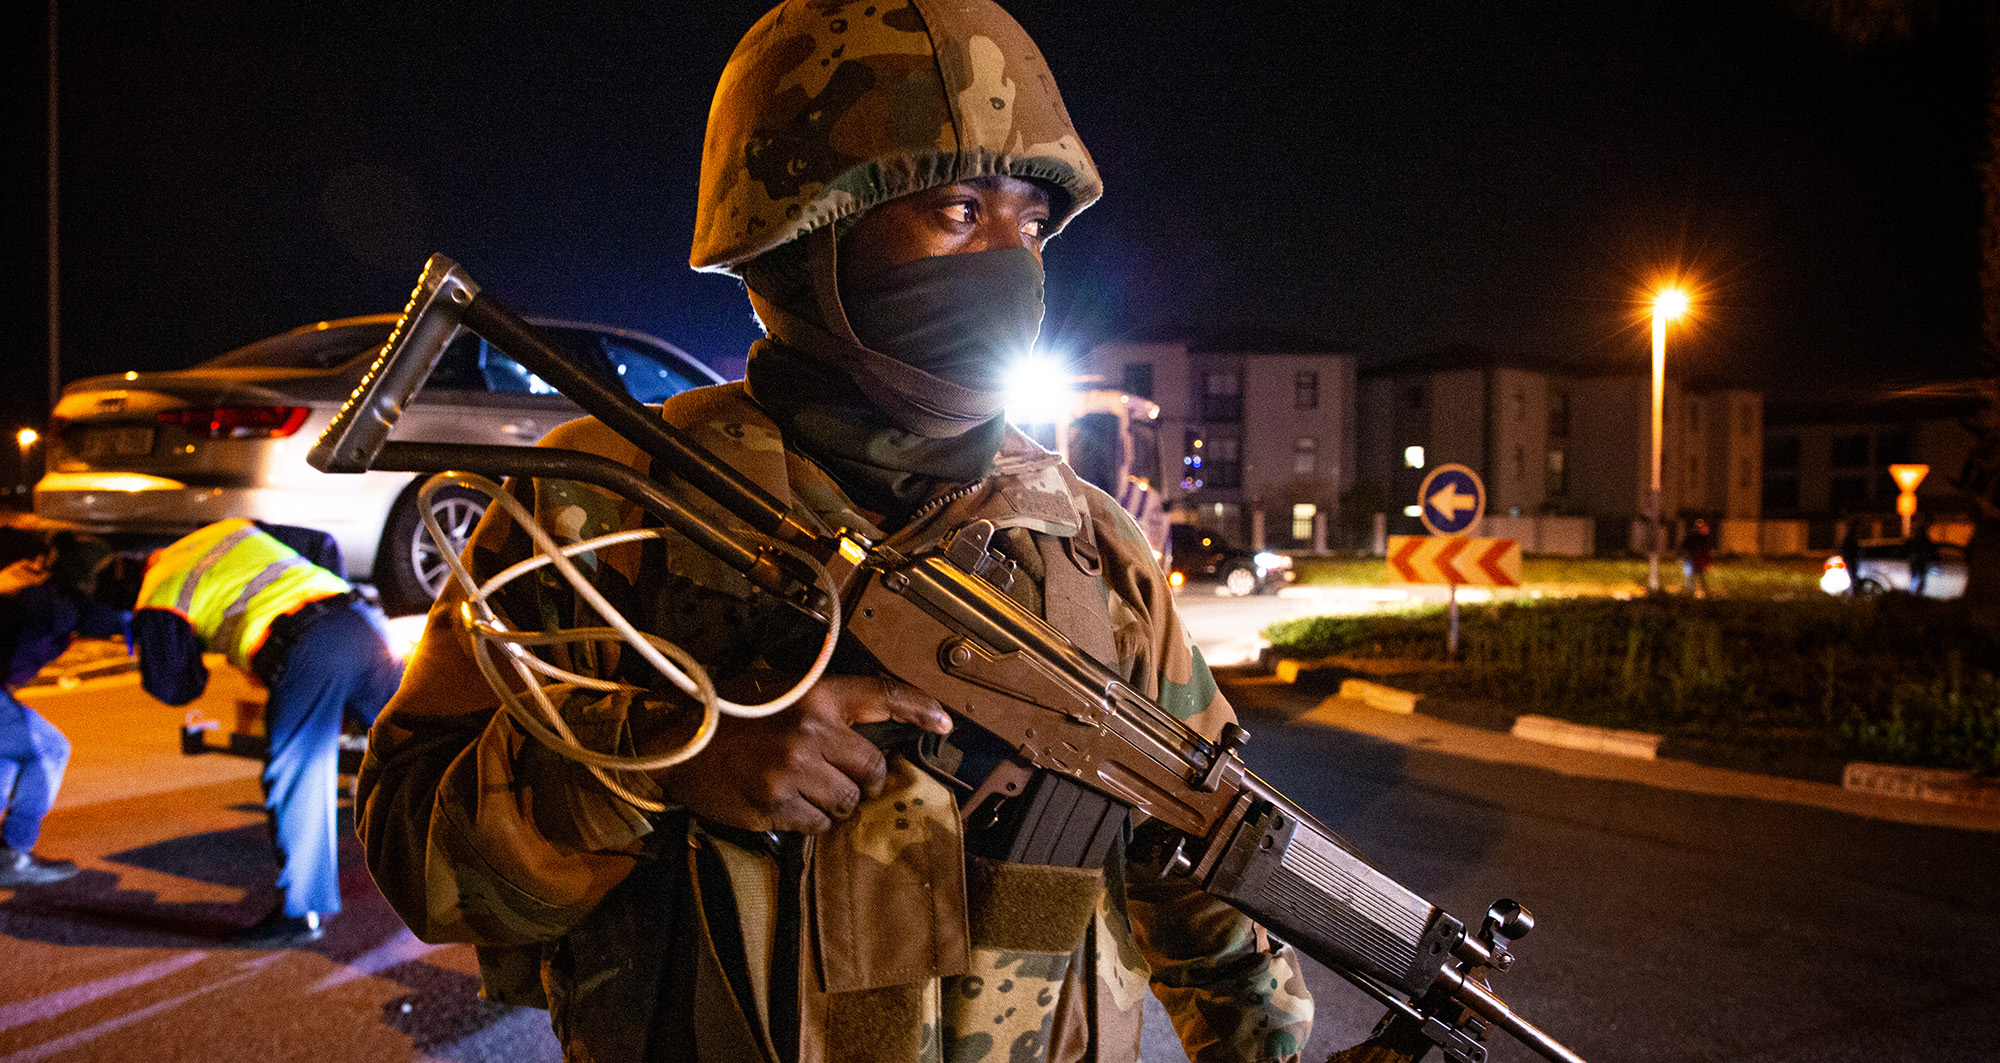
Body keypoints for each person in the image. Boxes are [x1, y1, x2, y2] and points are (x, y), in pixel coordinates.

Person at [359, 3, 1314, 1061]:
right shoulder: (606, 502)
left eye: (1029, 224)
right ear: (806, 231)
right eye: (955, 210)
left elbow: (1204, 873)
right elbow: (416, 852)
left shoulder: (1090, 544)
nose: (1010, 261)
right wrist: (666, 759)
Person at [113, 518, 403, 945]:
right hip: (364, 620)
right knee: (419, 750)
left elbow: (176, 687)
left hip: (309, 650)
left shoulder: (158, 593)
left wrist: (167, 638)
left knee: (299, 777)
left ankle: (302, 912)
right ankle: (495, 858)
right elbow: (321, 540)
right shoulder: (222, 530)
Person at [0, 527, 129, 887]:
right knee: (48, 749)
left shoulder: (29, 584)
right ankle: (12, 854)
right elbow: (102, 620)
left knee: (8, 757)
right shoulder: (51, 601)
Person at [1681, 517, 1714, 599]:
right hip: (1695, 561)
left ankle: (1691, 594)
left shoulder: (1694, 537)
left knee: (1692, 578)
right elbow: (1705, 551)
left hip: (1693, 560)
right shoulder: (1702, 538)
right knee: (1696, 577)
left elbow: (1684, 547)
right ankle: (1703, 593)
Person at [1906, 520, 1938, 596]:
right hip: (1921, 564)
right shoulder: (1926, 542)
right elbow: (1932, 552)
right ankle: (1917, 595)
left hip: (1918, 563)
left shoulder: (1916, 541)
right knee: (1919, 579)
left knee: (1916, 579)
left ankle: (1915, 595)